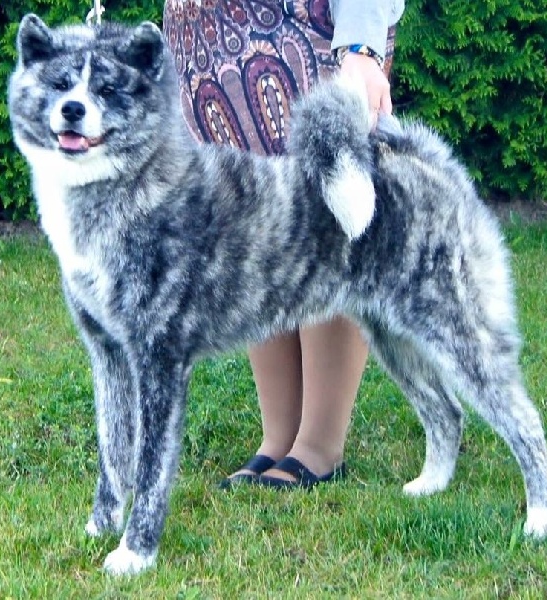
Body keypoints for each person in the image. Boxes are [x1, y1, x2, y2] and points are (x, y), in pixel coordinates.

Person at [163, 0, 405, 488]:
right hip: (209, 56)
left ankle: (318, 444)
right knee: (255, 235)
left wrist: (362, 48)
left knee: (325, 231)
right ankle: (280, 436)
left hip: (304, 39)